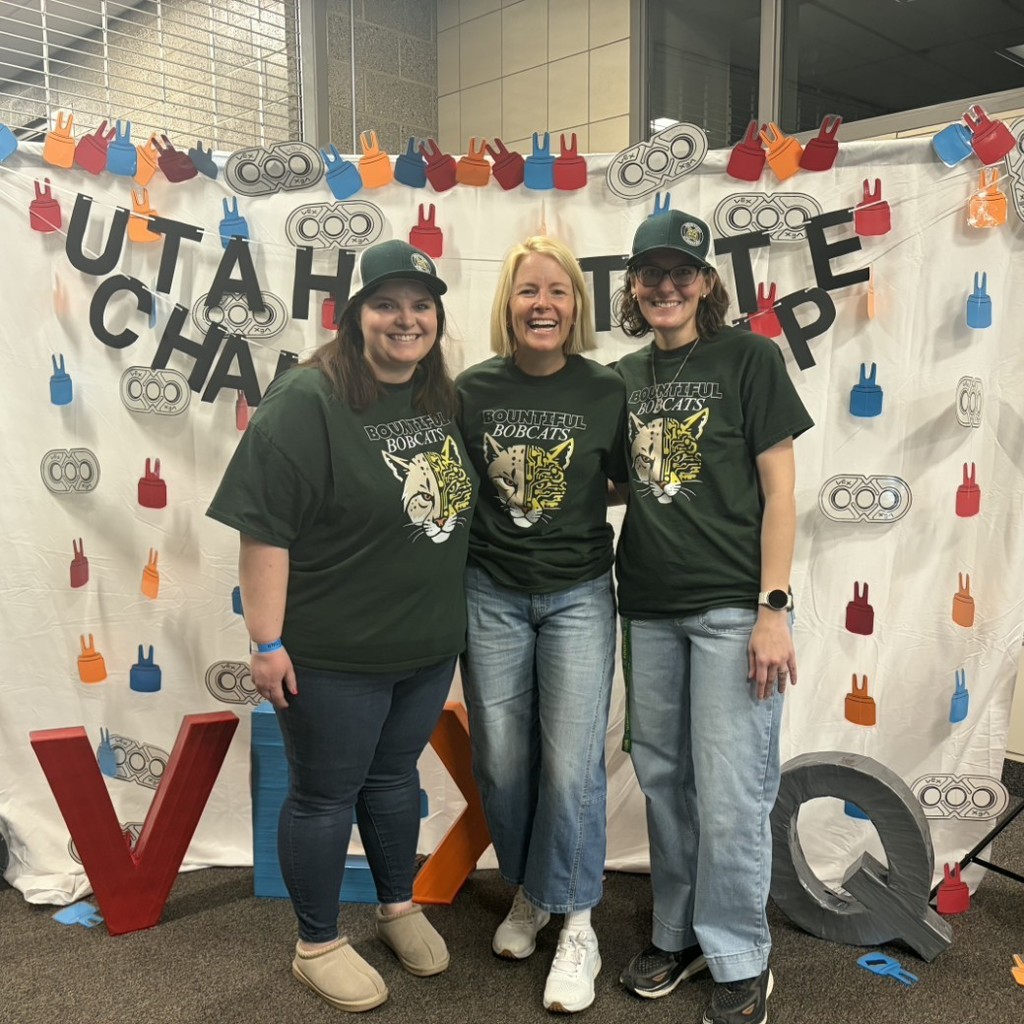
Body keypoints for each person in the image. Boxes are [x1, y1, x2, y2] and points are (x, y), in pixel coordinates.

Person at [206, 239, 476, 1014]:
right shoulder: (306, 400)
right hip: (333, 652)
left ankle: (396, 905)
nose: (406, 319)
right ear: (354, 314)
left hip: (424, 645)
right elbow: (263, 531)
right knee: (325, 797)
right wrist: (264, 642)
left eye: (420, 306)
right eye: (387, 305)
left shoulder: (436, 396)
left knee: (393, 781)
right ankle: (316, 942)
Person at [611, 210, 813, 1024]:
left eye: (681, 274)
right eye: (650, 274)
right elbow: (619, 485)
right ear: (631, 285)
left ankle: (740, 954)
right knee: (665, 781)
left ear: (707, 284)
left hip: (734, 608)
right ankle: (678, 933)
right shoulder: (620, 378)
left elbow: (782, 493)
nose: (666, 287)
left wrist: (774, 607)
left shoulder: (749, 358)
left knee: (732, 790)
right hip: (649, 607)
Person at [455, 236, 627, 1014]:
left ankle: (579, 919)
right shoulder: (471, 390)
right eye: (529, 291)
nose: (544, 305)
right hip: (490, 593)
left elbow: (633, 480)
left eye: (558, 292)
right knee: (501, 760)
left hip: (579, 595)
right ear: (509, 303)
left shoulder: (607, 389)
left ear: (576, 306)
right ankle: (532, 891)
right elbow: (452, 494)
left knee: (570, 766)